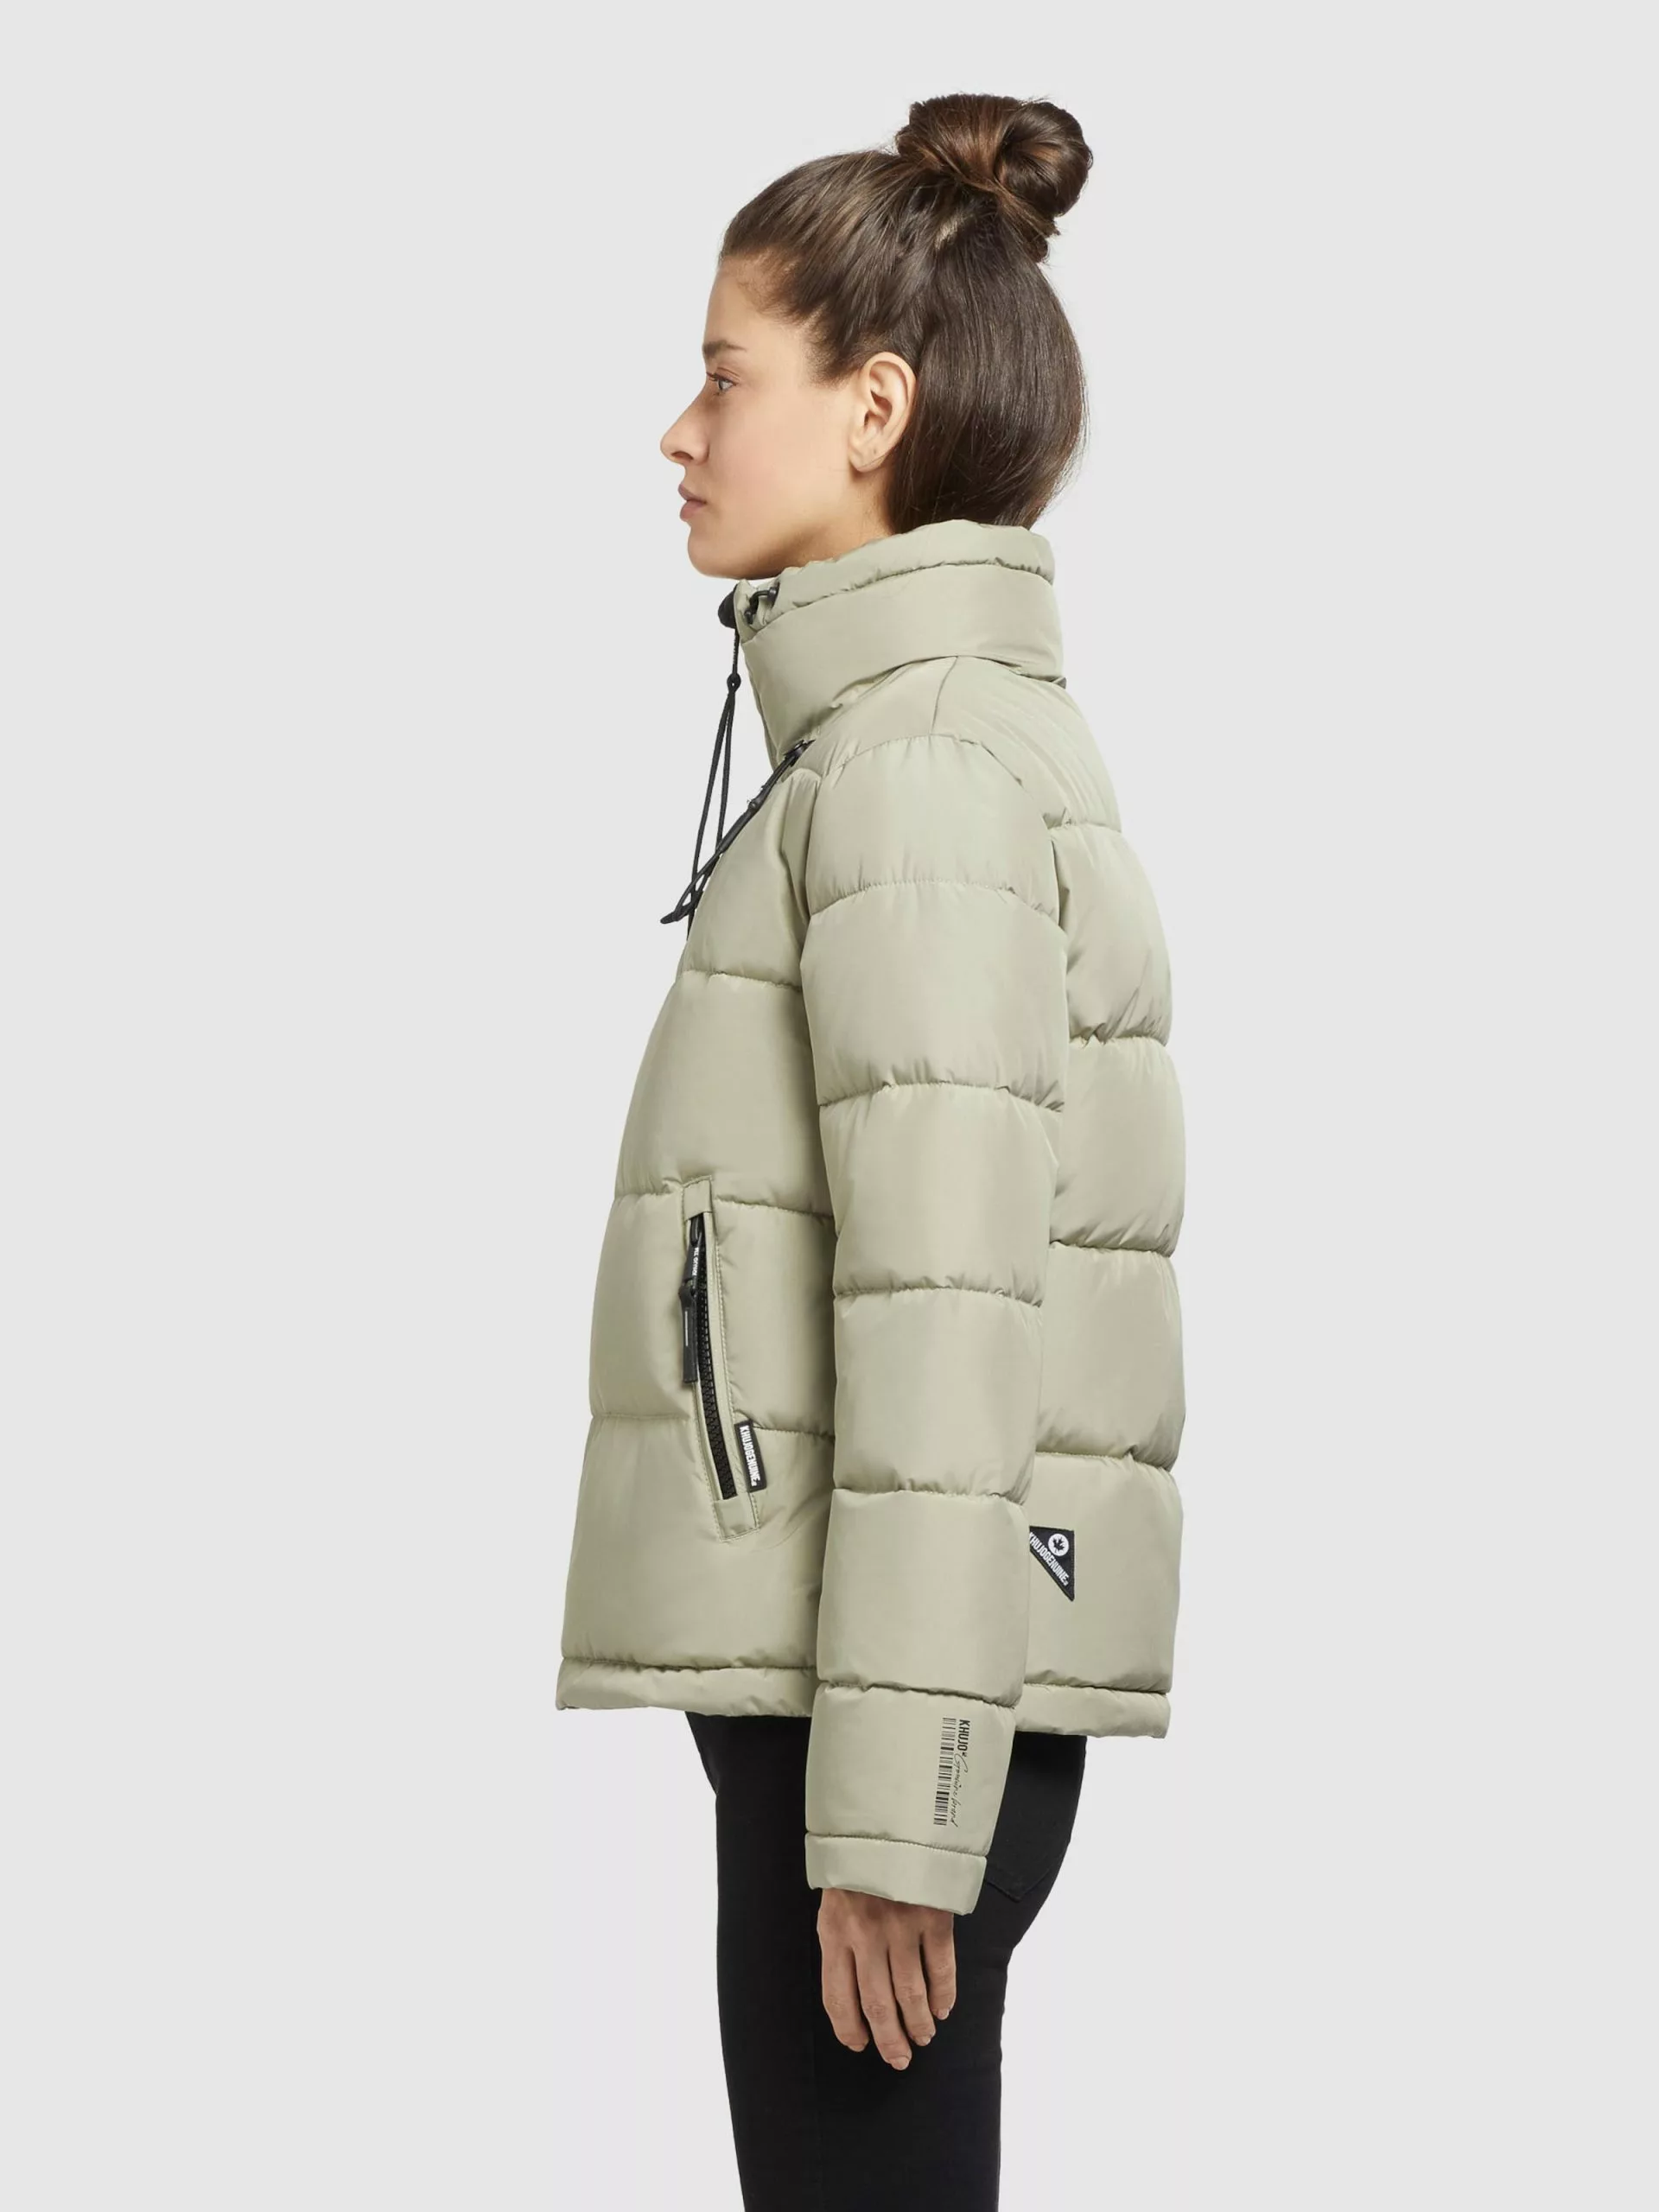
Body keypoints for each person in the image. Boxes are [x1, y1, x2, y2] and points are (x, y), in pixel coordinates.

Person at [556, 91, 1186, 2209]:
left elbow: (950, 1304)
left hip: (888, 1711)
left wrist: (902, 1809)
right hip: (873, 1681)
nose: (680, 431)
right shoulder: (904, 745)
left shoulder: (919, 773)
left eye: (726, 376)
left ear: (875, 408)